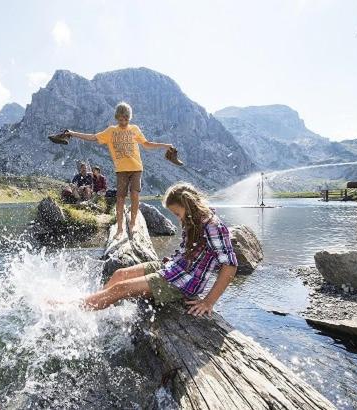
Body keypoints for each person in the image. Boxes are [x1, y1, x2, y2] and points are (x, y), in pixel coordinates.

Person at [79, 182, 238, 316]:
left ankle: (76, 309)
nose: (177, 217)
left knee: (122, 288)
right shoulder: (192, 219)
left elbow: (230, 265)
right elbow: (185, 252)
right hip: (172, 268)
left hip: (184, 283)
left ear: (188, 205)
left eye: (177, 213)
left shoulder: (213, 226)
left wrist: (208, 301)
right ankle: (94, 307)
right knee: (120, 274)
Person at [67, 102, 173, 238]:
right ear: (117, 118)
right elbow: (93, 137)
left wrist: (165, 145)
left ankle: (133, 224)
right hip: (121, 170)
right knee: (120, 197)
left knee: (135, 194)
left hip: (136, 168)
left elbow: (146, 144)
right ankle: (120, 229)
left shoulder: (134, 129)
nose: (123, 122)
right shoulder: (111, 131)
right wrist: (73, 134)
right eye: (121, 119)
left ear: (129, 118)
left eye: (126, 119)